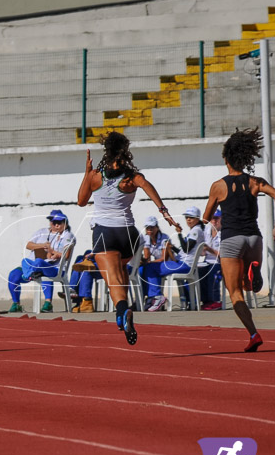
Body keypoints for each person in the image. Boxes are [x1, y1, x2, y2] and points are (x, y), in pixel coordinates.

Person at [77, 132, 179, 346]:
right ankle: (122, 315)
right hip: (129, 235)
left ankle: (122, 312)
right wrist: (165, 213)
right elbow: (148, 187)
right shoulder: (132, 177)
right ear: (125, 152)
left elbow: (81, 201)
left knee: (112, 279)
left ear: (106, 151)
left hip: (104, 233)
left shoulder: (96, 175)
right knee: (121, 271)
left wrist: (86, 173)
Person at [202, 128, 275, 352]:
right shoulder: (255, 182)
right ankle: (253, 269)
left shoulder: (219, 186)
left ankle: (253, 333)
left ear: (226, 158)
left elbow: (207, 216)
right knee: (249, 285)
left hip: (232, 240)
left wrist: (210, 217)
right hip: (254, 238)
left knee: (236, 292)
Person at [7, 210, 75, 313]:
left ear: (64, 224)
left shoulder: (66, 235)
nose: (55, 224)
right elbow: (28, 245)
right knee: (17, 270)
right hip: (33, 265)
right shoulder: (41, 231)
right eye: (52, 221)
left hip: (53, 267)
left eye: (59, 222)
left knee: (40, 264)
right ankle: (16, 304)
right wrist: (42, 245)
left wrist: (53, 253)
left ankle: (48, 303)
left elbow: (66, 254)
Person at [138, 215, 174, 311]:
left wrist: (149, 262)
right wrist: (143, 261)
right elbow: (147, 257)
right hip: (156, 263)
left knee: (151, 269)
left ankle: (153, 297)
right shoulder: (146, 238)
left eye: (152, 227)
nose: (149, 229)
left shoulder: (164, 238)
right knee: (140, 271)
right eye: (147, 227)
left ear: (157, 228)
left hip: (167, 264)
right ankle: (143, 297)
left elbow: (164, 258)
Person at [200, 210, 223, 310]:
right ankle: (206, 301)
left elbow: (223, 255)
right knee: (199, 274)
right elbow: (202, 251)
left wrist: (209, 249)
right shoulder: (207, 231)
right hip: (207, 261)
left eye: (216, 218)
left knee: (213, 275)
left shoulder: (225, 234)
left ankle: (216, 300)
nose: (214, 221)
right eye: (212, 218)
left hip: (220, 263)